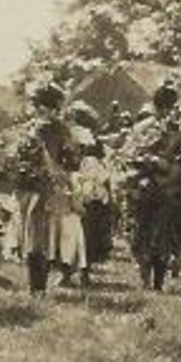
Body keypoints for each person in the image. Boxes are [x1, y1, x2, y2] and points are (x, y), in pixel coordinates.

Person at [9, 80, 83, 295]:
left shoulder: (50, 129)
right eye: (39, 105)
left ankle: (38, 287)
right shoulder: (52, 129)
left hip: (45, 188)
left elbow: (71, 160)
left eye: (44, 106)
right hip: (40, 186)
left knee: (38, 237)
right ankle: (38, 286)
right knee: (39, 236)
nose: (41, 110)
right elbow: (72, 160)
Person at [120, 78, 181, 291]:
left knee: (150, 232)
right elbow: (133, 155)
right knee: (156, 233)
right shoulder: (160, 128)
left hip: (150, 186)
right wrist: (158, 162)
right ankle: (152, 281)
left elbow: (128, 155)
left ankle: (150, 280)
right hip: (158, 186)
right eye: (170, 106)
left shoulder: (154, 128)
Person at [69, 103, 118, 286]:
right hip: (89, 191)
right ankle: (82, 271)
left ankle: (79, 271)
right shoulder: (82, 141)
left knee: (82, 233)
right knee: (85, 234)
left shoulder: (89, 143)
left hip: (85, 190)